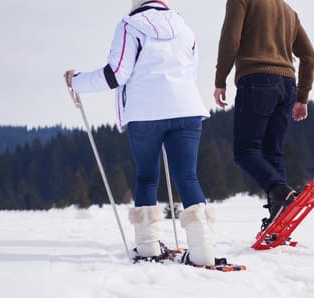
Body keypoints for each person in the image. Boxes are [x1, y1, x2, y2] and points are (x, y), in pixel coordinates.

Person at [64, 0, 216, 266]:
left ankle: (147, 247)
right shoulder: (184, 28)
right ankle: (203, 251)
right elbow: (191, 71)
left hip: (145, 113)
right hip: (187, 109)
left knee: (147, 177)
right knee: (188, 177)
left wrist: (76, 81)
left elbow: (115, 75)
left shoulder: (129, 26)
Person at [213, 0, 314, 230]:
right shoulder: (288, 11)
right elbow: (309, 56)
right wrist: (302, 96)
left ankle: (280, 190)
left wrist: (221, 80)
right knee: (273, 153)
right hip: (287, 85)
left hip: (257, 80)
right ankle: (279, 220)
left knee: (245, 150)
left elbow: (231, 39)